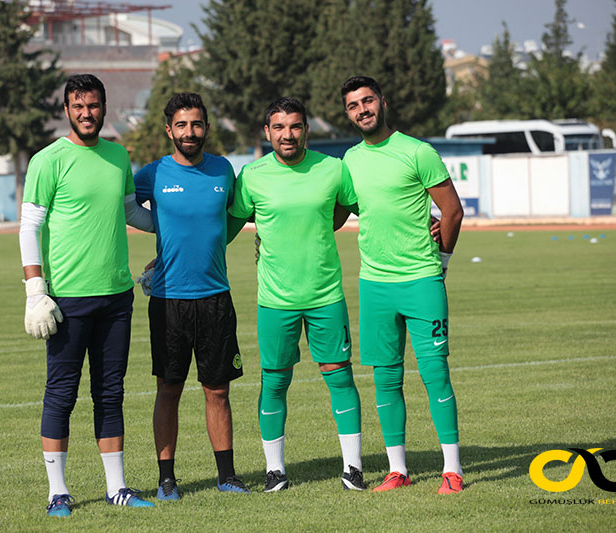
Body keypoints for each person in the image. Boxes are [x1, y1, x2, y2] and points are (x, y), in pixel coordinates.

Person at [19, 73, 155, 517]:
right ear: (66, 111)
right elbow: (30, 227)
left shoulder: (119, 155)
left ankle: (117, 487)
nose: (86, 113)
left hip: (117, 296)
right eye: (78, 106)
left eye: (93, 105)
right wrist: (34, 290)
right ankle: (57, 491)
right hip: (67, 299)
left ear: (104, 108)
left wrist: (173, 230)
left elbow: (132, 210)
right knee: (61, 394)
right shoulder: (48, 160)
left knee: (110, 393)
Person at [228, 97, 366, 493]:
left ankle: (353, 468)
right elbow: (224, 230)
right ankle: (275, 471)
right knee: (274, 382)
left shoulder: (334, 169)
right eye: (278, 127)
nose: (287, 134)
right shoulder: (251, 176)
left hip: (326, 296)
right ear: (267, 132)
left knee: (340, 377)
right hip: (275, 300)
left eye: (294, 126)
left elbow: (357, 209)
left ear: (306, 129)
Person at [339, 75, 465, 494]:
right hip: (374, 286)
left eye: (368, 100)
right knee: (385, 379)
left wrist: (441, 262)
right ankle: (398, 470)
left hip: (421, 282)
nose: (363, 109)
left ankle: (453, 470)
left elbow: (452, 211)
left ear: (383, 102)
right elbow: (337, 214)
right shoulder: (350, 161)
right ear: (348, 114)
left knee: (435, 374)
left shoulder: (417, 151)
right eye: (354, 105)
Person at [134, 93, 249, 501]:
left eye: (196, 124)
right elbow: (126, 206)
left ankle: (228, 476)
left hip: (216, 297)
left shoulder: (223, 170)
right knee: (169, 389)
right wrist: (160, 235)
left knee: (218, 390)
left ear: (206, 128)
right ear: (169, 130)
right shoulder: (153, 173)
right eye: (181, 125)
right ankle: (167, 479)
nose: (189, 132)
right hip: (168, 300)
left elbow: (234, 216)